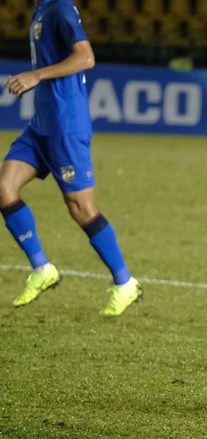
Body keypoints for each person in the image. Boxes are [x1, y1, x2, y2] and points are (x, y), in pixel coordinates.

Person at [1, 0, 141, 315]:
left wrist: (37, 75)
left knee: (81, 209)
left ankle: (125, 283)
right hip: (40, 126)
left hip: (66, 128)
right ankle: (42, 270)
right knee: (4, 188)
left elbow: (86, 57)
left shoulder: (60, 8)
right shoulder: (41, 9)